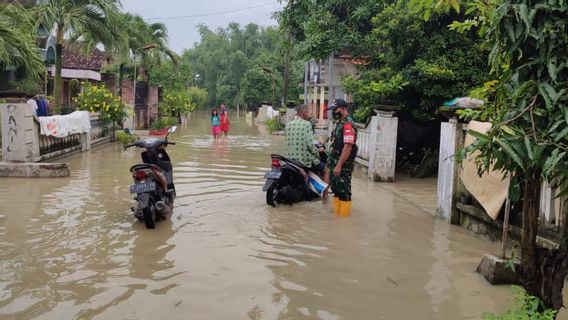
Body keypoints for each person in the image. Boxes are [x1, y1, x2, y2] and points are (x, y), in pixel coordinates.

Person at [324, 98, 358, 217]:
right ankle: (337, 218)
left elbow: (348, 147)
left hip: (343, 166)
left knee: (343, 192)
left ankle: (344, 222)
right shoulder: (340, 123)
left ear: (343, 109)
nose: (334, 112)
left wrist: (338, 166)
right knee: (337, 191)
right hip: (334, 163)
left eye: (335, 110)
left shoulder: (348, 125)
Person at [285, 104, 325, 175]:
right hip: (304, 160)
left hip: (290, 159)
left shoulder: (288, 125)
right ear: (304, 113)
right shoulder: (307, 124)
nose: (310, 114)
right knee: (326, 170)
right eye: (309, 112)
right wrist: (317, 153)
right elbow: (310, 145)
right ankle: (326, 186)